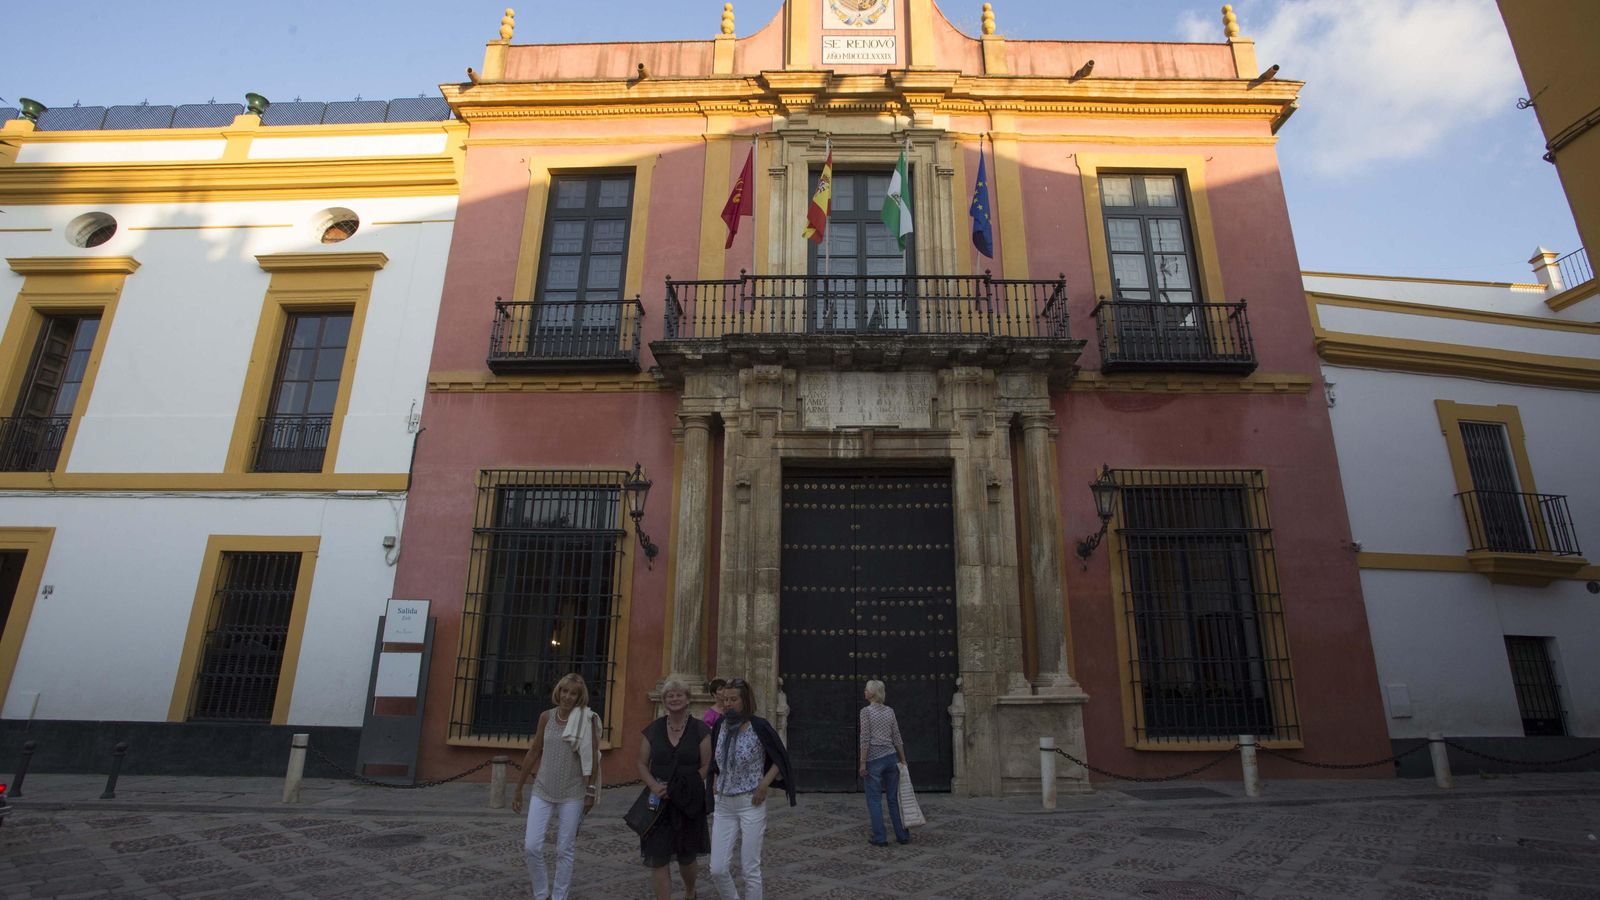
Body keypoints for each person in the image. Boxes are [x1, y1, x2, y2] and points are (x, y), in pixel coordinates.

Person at [512, 673, 602, 900]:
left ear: (580, 697)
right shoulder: (546, 717)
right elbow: (534, 751)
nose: (568, 697)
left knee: (565, 849)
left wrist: (590, 792)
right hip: (542, 789)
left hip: (573, 792)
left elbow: (591, 757)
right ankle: (542, 894)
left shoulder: (586, 719)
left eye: (573, 693)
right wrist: (518, 788)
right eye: (565, 691)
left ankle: (559, 896)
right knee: (531, 846)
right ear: (558, 691)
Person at [706, 677, 795, 900]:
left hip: (750, 803)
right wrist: (715, 778)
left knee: (750, 869)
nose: (727, 704)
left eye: (733, 699)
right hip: (724, 804)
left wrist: (764, 784)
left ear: (745, 701)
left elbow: (780, 758)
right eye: (724, 699)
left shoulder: (759, 726)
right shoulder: (719, 725)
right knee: (717, 868)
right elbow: (716, 759)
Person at [637, 678, 713, 900]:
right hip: (658, 799)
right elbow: (641, 762)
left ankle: (690, 891)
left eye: (679, 695)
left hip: (688, 800)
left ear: (688, 699)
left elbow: (706, 765)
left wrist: (682, 787)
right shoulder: (653, 729)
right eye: (670, 695)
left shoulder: (700, 730)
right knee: (658, 856)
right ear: (664, 700)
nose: (674, 698)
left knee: (686, 856)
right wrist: (653, 785)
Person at [858, 679, 910, 846]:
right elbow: (897, 736)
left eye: (866, 690)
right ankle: (902, 835)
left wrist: (862, 762)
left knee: (874, 799)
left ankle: (880, 837)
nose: (864, 692)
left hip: (874, 759)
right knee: (893, 798)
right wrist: (902, 758)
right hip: (891, 757)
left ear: (872, 693)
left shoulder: (866, 712)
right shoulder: (890, 711)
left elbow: (865, 739)